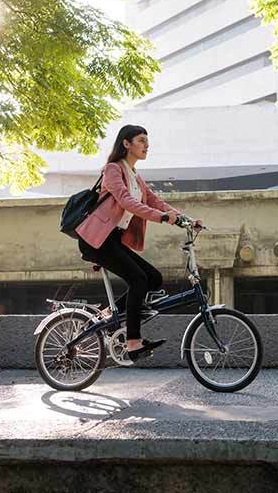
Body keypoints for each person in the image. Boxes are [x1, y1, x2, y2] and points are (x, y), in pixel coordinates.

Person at [75, 124, 202, 362]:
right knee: (138, 279)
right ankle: (133, 342)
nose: (146, 145)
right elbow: (125, 201)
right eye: (141, 140)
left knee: (153, 279)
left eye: (147, 141)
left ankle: (109, 316)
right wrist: (162, 218)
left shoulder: (135, 176)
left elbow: (155, 201)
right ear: (126, 143)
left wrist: (186, 219)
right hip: (96, 240)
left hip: (112, 240)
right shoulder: (112, 170)